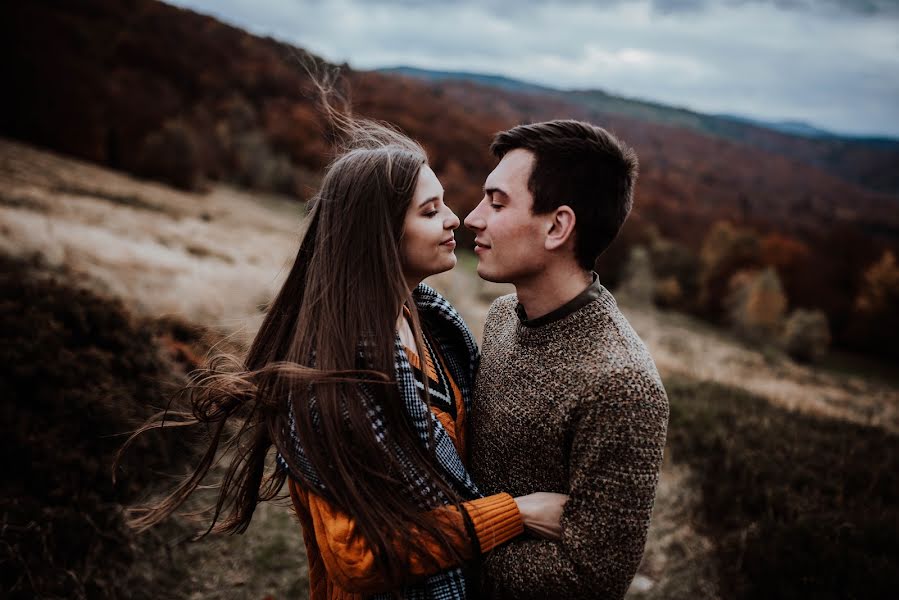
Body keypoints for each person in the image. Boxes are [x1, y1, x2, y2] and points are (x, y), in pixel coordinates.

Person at [118, 107, 567, 600]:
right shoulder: (329, 379)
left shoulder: (434, 327)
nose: (454, 219)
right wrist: (515, 513)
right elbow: (358, 557)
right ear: (378, 235)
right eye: (430, 210)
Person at [464, 120, 670, 600]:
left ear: (557, 226)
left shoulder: (623, 386)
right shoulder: (501, 318)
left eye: (497, 203)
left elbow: (589, 581)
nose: (474, 218)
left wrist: (446, 542)